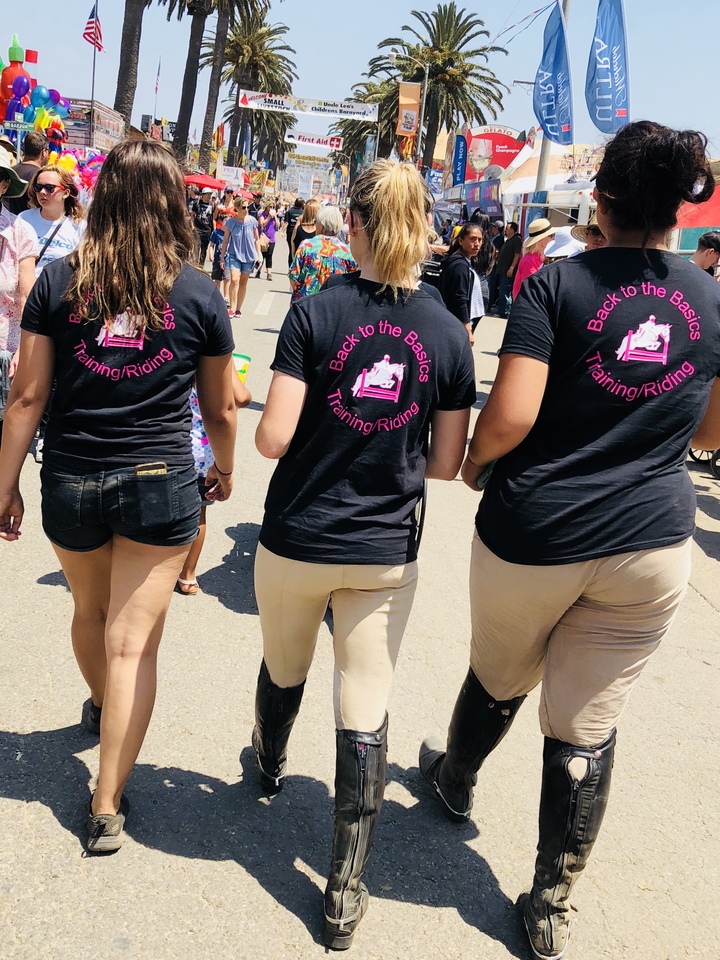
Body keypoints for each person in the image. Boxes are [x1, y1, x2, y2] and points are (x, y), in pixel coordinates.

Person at [418, 120, 720, 960]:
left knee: (500, 670)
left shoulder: (559, 284)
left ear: (602, 199)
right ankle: (550, 900)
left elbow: (510, 414)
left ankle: (454, 780)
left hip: (538, 530)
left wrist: (475, 461)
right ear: (675, 211)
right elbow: (708, 436)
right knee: (589, 724)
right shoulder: (711, 299)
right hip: (653, 543)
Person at [252, 159, 476, 949]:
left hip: (299, 536)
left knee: (285, 664)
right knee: (366, 701)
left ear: (353, 222)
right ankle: (345, 886)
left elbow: (274, 436)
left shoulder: (316, 311)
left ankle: (269, 761)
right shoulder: (449, 332)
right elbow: (446, 464)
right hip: (384, 547)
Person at [0, 140, 237, 853]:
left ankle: (106, 705)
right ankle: (106, 799)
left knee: (88, 613)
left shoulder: (59, 281)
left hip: (71, 475)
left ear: (100, 198)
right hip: (162, 482)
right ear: (173, 203)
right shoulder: (199, 292)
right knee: (131, 644)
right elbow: (222, 408)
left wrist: (4, 480)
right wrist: (224, 467)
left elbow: (26, 395)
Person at [176, 372, 251, 595]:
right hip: (205, 458)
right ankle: (187, 576)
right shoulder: (218, 361)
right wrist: (228, 368)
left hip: (171, 448)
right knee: (198, 514)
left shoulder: (177, 351)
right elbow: (243, 398)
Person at [0, 154, 35, 448]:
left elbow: (26, 296)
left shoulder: (19, 231)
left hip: (4, 347)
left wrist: (24, 349)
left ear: (3, 185)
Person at [19, 165, 86, 278]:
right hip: (27, 292)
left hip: (59, 292)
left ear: (66, 193)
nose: (43, 192)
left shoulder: (79, 226)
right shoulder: (24, 219)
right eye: (38, 187)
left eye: (50, 187)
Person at [288, 205, 357, 302]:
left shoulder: (307, 246)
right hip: (334, 308)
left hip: (306, 306)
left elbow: (293, 277)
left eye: (316, 222)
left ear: (322, 226)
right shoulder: (348, 253)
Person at [438, 223, 484, 346]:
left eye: (480, 240)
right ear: (461, 240)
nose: (477, 243)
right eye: (472, 239)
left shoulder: (463, 261)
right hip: (456, 323)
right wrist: (467, 329)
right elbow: (460, 298)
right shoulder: (460, 265)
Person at [220, 197, 261, 318]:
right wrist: (222, 257)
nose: (246, 209)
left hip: (249, 255)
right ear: (237, 208)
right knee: (234, 280)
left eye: (247, 207)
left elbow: (257, 239)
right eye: (243, 207)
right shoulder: (231, 222)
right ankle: (232, 308)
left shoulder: (252, 221)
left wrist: (259, 255)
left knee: (243, 282)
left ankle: (238, 309)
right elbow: (226, 240)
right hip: (234, 254)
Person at [4, 131, 49, 216]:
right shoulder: (40, 177)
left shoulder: (10, 171)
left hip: (8, 223)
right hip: (29, 225)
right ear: (43, 152)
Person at [512, 218, 556, 299]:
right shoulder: (530, 260)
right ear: (541, 240)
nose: (553, 238)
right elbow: (532, 288)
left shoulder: (540, 257)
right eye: (551, 235)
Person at [494, 221, 522, 316]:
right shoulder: (508, 240)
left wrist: (512, 268)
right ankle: (502, 310)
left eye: (507, 228)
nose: (505, 230)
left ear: (513, 230)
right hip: (502, 270)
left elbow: (517, 255)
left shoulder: (516, 240)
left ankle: (503, 312)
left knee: (505, 291)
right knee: (502, 290)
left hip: (508, 271)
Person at [191, 188, 218, 266]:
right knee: (197, 247)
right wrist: (192, 226)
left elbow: (213, 218)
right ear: (202, 195)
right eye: (207, 194)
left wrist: (214, 230)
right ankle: (195, 265)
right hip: (197, 229)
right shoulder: (197, 203)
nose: (209, 196)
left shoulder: (212, 204)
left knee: (204, 249)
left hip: (207, 230)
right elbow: (192, 215)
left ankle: (201, 266)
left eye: (210, 194)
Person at [289, 199, 319, 264]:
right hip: (313, 266)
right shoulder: (318, 230)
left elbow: (293, 247)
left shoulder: (298, 229)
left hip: (299, 265)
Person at [209, 213, 230, 303]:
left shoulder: (230, 233)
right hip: (217, 258)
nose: (227, 223)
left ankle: (226, 297)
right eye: (226, 221)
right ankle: (217, 297)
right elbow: (211, 245)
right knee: (217, 279)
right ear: (221, 222)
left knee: (227, 278)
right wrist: (210, 254)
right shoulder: (216, 232)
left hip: (228, 259)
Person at [256, 201, 279, 281]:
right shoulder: (262, 215)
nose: (271, 208)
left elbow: (278, 225)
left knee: (269, 255)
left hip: (271, 238)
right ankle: (258, 270)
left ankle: (269, 273)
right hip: (263, 238)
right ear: (266, 207)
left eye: (273, 207)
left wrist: (275, 216)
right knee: (262, 255)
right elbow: (262, 224)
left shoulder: (273, 215)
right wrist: (269, 217)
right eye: (270, 207)